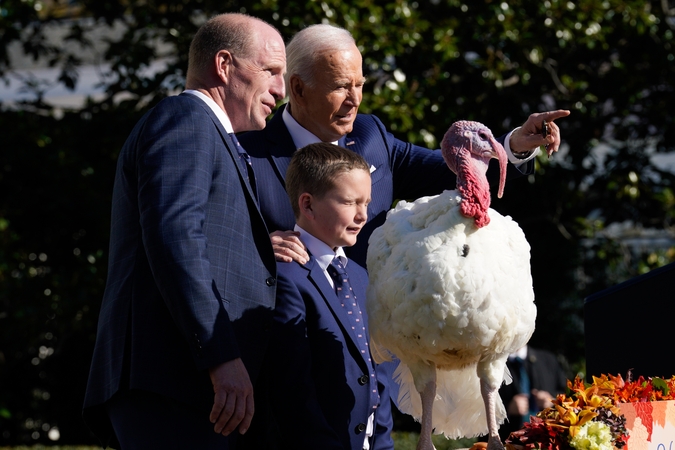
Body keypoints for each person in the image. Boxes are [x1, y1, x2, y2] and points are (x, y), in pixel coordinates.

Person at [82, 13, 285, 449]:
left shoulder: (213, 135)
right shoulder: (186, 118)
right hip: (176, 384)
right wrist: (221, 355)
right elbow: (174, 236)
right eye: (271, 71)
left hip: (197, 390)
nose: (281, 89)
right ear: (224, 64)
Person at [238, 23, 571, 268]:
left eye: (360, 85)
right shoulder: (244, 154)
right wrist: (256, 250)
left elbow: (452, 167)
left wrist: (513, 146)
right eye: (341, 87)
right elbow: (203, 241)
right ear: (297, 89)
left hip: (378, 339)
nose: (354, 100)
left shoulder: (371, 135)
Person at [262, 142, 393, 449]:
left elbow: (379, 371)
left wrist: (383, 442)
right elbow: (292, 388)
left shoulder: (362, 276)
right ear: (307, 205)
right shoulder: (285, 275)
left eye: (366, 202)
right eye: (350, 203)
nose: (363, 215)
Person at [498, 345, 568, 440]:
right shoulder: (490, 364)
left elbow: (567, 395)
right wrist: (506, 409)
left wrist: (552, 401)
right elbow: (476, 405)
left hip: (547, 441)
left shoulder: (548, 360)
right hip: (504, 440)